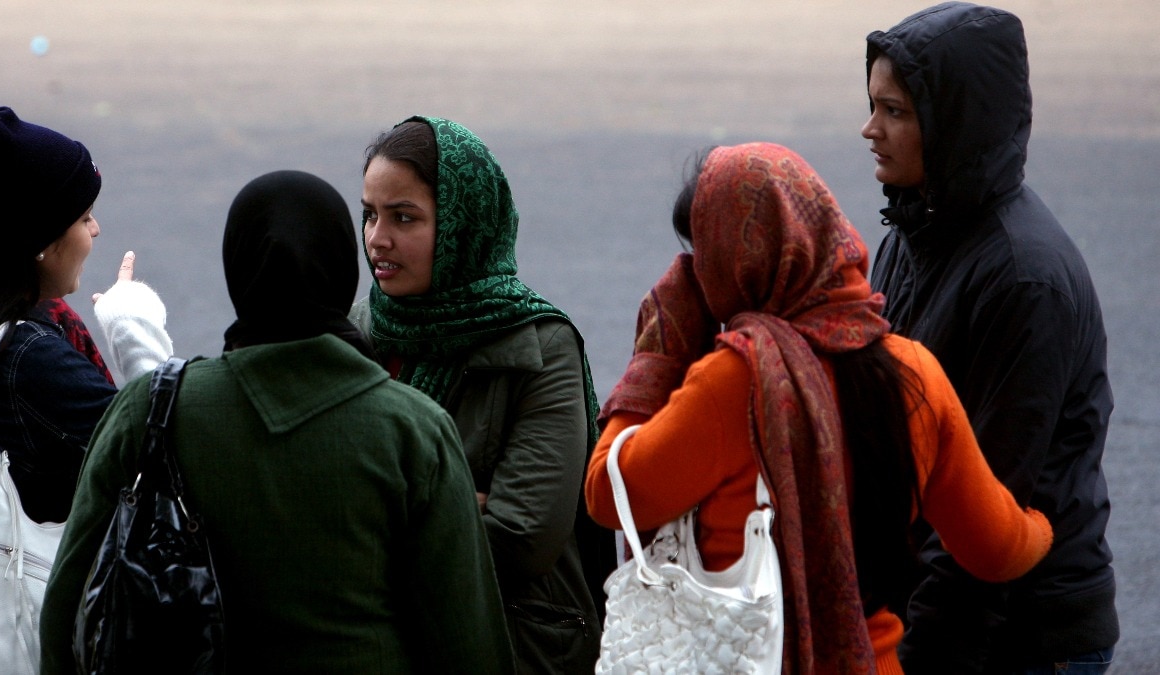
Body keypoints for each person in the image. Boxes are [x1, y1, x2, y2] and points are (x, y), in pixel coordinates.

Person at [584, 142, 1054, 674]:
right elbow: (997, 551)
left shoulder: (735, 379)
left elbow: (609, 492)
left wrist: (658, 352)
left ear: (733, 262)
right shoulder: (913, 370)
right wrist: (1047, 526)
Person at [39, 170, 515, 674]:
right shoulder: (415, 431)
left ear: (238, 269)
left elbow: (67, 610)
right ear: (341, 269)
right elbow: (469, 642)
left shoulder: (148, 412)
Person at [861, 4, 1117, 672]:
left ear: (952, 125)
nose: (870, 129)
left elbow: (989, 505)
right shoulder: (913, 233)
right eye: (873, 106)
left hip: (1021, 636)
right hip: (942, 612)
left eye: (894, 111)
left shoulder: (1022, 279)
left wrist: (914, 655)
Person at [351, 116, 613, 674]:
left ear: (461, 226)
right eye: (370, 214)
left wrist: (375, 509)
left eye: (404, 217)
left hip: (516, 642)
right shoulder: (361, 327)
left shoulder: (541, 344)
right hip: (381, 641)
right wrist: (461, 500)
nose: (378, 238)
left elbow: (524, 536)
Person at [0, 106, 171, 525]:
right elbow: (168, 454)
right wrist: (136, 331)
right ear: (36, 240)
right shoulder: (29, 358)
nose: (95, 230)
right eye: (83, 217)